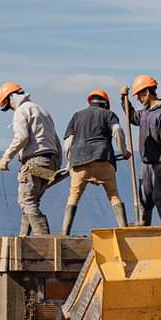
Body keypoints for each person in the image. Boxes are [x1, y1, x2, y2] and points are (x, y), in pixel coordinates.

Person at [0, 81, 64, 237]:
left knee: (26, 201)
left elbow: (22, 137)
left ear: (10, 99)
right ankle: (23, 239)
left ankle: (44, 239)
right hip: (51, 163)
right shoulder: (42, 110)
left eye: (8, 106)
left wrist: (6, 157)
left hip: (34, 161)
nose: (11, 109)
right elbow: (56, 141)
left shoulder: (21, 111)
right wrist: (57, 166)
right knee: (31, 202)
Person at [60, 87, 130, 234]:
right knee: (114, 196)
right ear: (105, 103)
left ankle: (64, 233)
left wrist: (69, 163)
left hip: (79, 163)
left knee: (73, 197)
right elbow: (117, 130)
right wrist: (124, 152)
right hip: (103, 159)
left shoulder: (77, 116)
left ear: (90, 102)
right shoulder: (109, 115)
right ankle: (124, 230)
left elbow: (68, 142)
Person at [122, 74, 161, 225]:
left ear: (147, 92)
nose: (138, 99)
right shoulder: (146, 113)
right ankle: (144, 227)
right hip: (147, 163)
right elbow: (133, 117)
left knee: (159, 197)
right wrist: (124, 100)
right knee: (145, 199)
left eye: (139, 95)